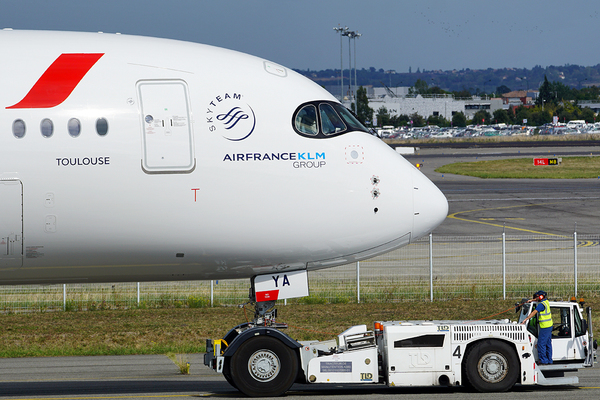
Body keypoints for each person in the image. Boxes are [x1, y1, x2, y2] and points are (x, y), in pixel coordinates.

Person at [521, 290, 553, 364]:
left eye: (537, 296)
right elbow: (537, 299)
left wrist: (526, 319)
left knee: (541, 344)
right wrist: (531, 300)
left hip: (545, 327)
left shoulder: (541, 305)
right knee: (548, 344)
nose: (536, 298)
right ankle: (549, 360)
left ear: (541, 296)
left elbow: (534, 312)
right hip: (549, 326)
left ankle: (543, 360)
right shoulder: (546, 302)